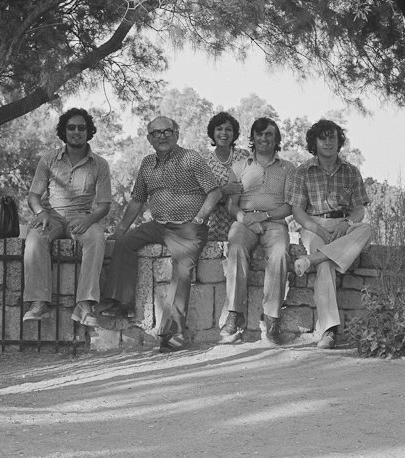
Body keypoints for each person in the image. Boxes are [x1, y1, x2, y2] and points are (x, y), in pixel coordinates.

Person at [102, 116, 222, 353]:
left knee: (183, 270)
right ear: (149, 139)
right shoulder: (147, 163)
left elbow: (215, 192)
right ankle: (121, 303)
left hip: (188, 227)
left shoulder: (191, 158)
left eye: (167, 131)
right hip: (158, 225)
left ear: (177, 134)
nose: (162, 136)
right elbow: (137, 200)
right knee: (125, 243)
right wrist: (119, 231)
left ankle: (172, 334)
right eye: (156, 133)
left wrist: (199, 219)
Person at [22, 108, 112, 328]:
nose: (76, 132)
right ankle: (38, 304)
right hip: (50, 216)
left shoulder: (100, 164)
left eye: (82, 128)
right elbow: (34, 195)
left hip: (81, 217)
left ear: (89, 131)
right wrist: (40, 212)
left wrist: (89, 220)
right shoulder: (49, 159)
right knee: (34, 239)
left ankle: (84, 305)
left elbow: (104, 205)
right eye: (71, 127)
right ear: (63, 131)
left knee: (96, 238)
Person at [287, 119, 372, 349]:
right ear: (315, 142)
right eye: (323, 138)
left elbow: (359, 209)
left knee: (366, 229)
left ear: (339, 141)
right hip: (313, 224)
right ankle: (329, 331)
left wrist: (347, 222)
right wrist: (317, 229)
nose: (328, 142)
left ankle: (311, 260)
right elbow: (297, 211)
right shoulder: (302, 171)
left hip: (343, 224)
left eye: (332, 137)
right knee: (326, 265)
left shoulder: (351, 171)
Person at [220, 117, 295, 345]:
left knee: (281, 253)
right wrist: (247, 219)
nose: (264, 138)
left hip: (274, 222)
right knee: (236, 248)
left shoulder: (289, 168)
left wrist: (264, 216)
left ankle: (272, 318)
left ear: (277, 139)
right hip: (244, 221)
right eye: (259, 134)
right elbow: (231, 205)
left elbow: (290, 206)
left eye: (269, 134)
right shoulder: (239, 167)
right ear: (252, 138)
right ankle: (235, 315)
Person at [203, 112, 249, 241]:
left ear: (234, 134)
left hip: (242, 221)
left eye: (228, 129)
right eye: (219, 129)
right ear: (212, 132)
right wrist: (224, 191)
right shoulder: (206, 163)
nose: (224, 133)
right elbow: (201, 198)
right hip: (216, 223)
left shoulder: (244, 156)